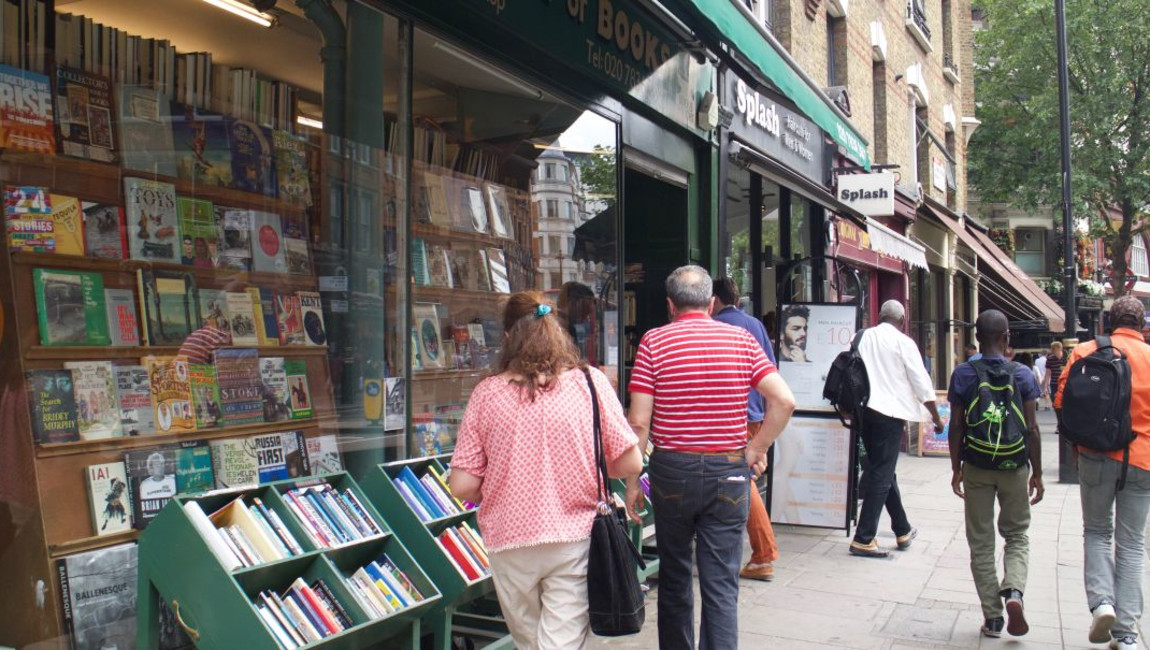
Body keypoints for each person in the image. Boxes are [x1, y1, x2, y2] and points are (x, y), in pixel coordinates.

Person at [448, 291, 642, 650]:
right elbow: (631, 462)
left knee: (530, 644)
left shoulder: (487, 394)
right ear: (559, 332)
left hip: (509, 541)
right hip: (575, 539)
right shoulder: (590, 383)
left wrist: (499, 482)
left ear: (507, 338)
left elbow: (462, 484)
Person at [625, 265, 795, 649]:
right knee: (721, 583)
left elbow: (638, 422)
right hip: (729, 470)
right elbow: (784, 400)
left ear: (670, 305)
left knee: (675, 575)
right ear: (711, 302)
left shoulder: (654, 342)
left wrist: (634, 481)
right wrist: (757, 448)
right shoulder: (741, 340)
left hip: (672, 470)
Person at [1056, 296, 1150, 650]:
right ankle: (1126, 635)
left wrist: (1078, 447)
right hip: (1142, 459)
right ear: (1142, 325)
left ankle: (1102, 604)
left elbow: (1062, 402)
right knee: (1132, 544)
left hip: (1095, 455)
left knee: (1096, 531)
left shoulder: (1084, 351)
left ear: (1109, 321)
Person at [948, 310, 1043, 638]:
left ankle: (992, 617)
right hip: (1014, 466)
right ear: (1006, 339)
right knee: (1017, 534)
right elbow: (1032, 428)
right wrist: (1038, 473)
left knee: (981, 542)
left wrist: (955, 468)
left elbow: (956, 425)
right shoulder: (1024, 375)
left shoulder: (963, 373)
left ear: (977, 338)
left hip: (976, 465)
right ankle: (1014, 591)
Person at [850, 300, 943, 558]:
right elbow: (921, 383)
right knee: (882, 471)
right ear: (902, 321)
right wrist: (936, 417)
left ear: (880, 316)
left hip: (864, 411)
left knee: (883, 469)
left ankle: (902, 529)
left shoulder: (862, 336)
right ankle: (864, 537)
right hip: (889, 415)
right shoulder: (904, 342)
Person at [712, 277, 780, 582]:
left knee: (741, 480)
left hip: (730, 413)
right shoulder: (755, 324)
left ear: (713, 300)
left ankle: (764, 554)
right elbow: (771, 372)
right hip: (754, 412)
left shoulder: (716, 327)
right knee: (740, 477)